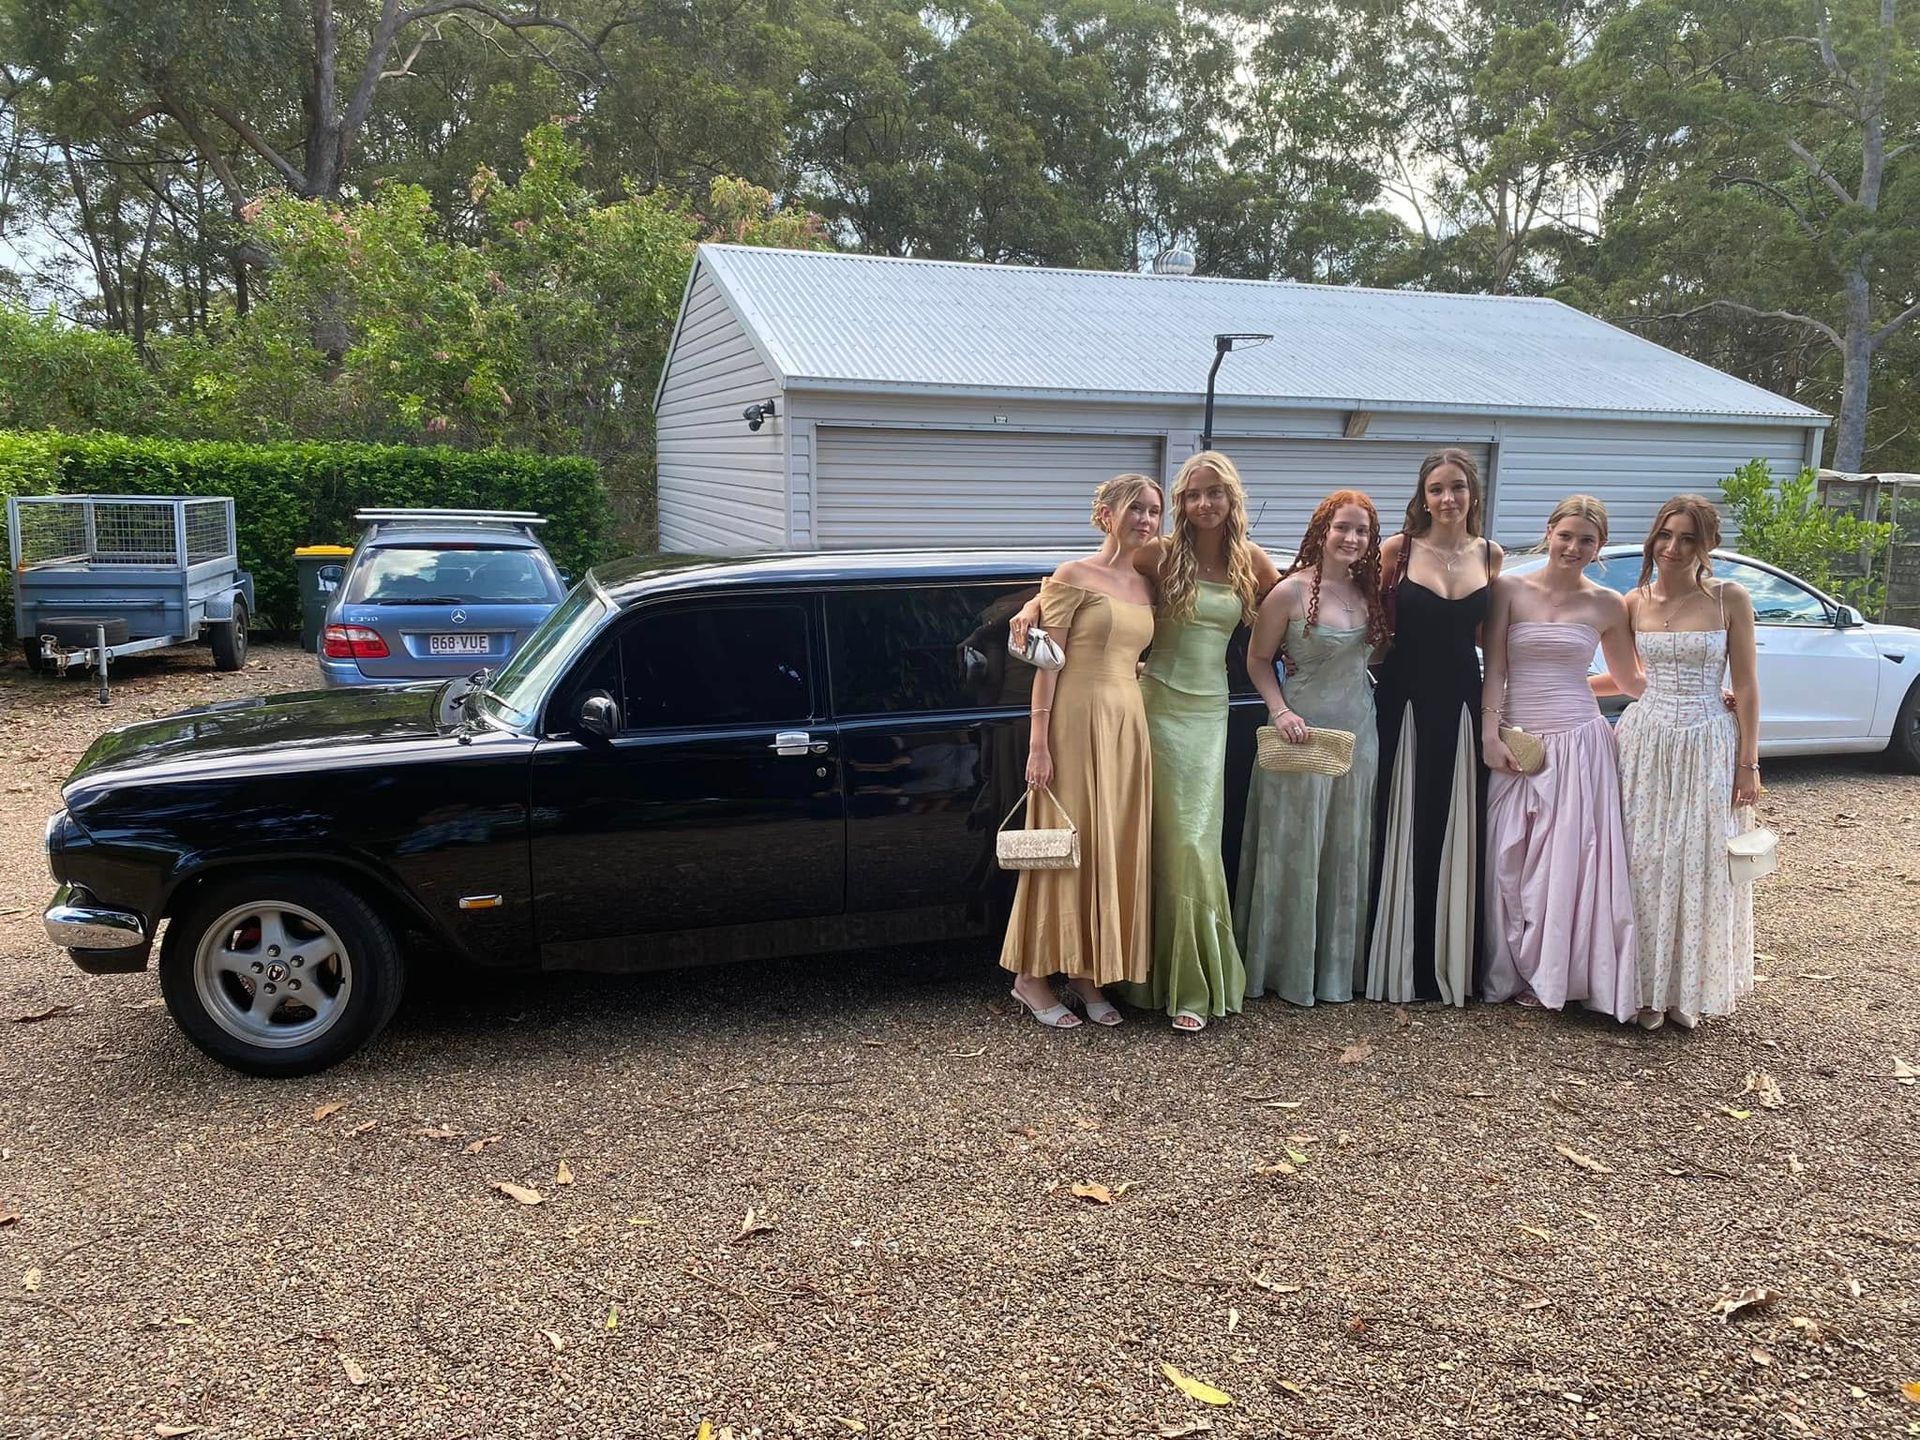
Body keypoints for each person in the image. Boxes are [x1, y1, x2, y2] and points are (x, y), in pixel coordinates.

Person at [1012, 453, 1282, 1031]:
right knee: (1084, 842)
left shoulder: (1242, 561)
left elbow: (1293, 607)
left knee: (1154, 844)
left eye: (1214, 493)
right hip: (1131, 710)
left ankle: (1155, 978)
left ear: (1232, 498)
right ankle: (1048, 975)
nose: (1202, 504)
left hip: (1177, 716)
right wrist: (1035, 602)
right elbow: (1077, 583)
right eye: (1191, 495)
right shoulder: (1157, 556)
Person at [1000, 473, 1163, 1028]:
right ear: (1107, 513)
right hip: (1073, 720)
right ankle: (1030, 977)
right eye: (1136, 508)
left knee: (1107, 846)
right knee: (1065, 847)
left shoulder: (1146, 581)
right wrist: (1038, 745)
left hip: (1127, 724)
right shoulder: (1073, 574)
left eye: (1154, 510)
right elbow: (1047, 666)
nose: (1146, 519)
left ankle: (1086, 973)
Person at [1598, 496, 1761, 1029]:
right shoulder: (1633, 601)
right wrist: (1554, 689)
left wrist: (1748, 762)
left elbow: (1746, 685)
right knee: (1643, 860)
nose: (1673, 547)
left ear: (1706, 545)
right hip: (1645, 740)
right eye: (1666, 535)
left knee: (1700, 860)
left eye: (1688, 538)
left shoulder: (1729, 598)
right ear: (1654, 538)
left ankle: (1687, 989)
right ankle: (1644, 989)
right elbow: (1626, 679)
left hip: (1708, 740)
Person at [1480, 495, 1640, 1021]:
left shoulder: (1608, 604)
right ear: (1549, 532)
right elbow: (1495, 667)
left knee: (1564, 863)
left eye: (1586, 540)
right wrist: (1490, 732)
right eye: (1566, 535)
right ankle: (1510, 967)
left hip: (1579, 742)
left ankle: (1553, 974)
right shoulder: (1509, 588)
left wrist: (1701, 696)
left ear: (1600, 547)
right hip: (1517, 737)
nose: (1573, 547)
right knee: (1509, 855)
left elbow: (1627, 678)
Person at [1234, 490, 1387, 1006]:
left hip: (1360, 734)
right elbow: (1258, 660)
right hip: (1300, 734)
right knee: (1291, 847)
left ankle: (1334, 971)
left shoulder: (1369, 592)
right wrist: (1281, 710)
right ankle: (1283, 968)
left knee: (1346, 845)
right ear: (1322, 530)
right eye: (1342, 527)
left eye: (1362, 530)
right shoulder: (1289, 592)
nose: (1351, 538)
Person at [1368, 450, 1504, 1006]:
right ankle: (1393, 961)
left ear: (1473, 493)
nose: (1448, 498)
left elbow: (1495, 650)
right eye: (1436, 489)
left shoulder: (1491, 555)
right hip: (1401, 703)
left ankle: (1446, 961)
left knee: (1453, 824)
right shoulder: (1397, 551)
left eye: (1457, 487)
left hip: (1462, 705)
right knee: (1398, 818)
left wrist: (1494, 724)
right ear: (1422, 498)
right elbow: (1368, 627)